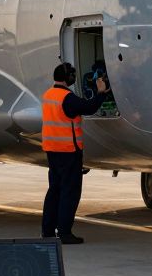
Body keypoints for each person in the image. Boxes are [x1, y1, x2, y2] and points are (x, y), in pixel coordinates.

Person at [41, 62, 108, 244]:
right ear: (68, 78)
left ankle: (47, 231)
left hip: (52, 150)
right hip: (68, 151)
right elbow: (89, 107)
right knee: (69, 192)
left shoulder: (48, 95)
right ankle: (64, 232)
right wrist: (101, 92)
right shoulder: (67, 98)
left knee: (54, 190)